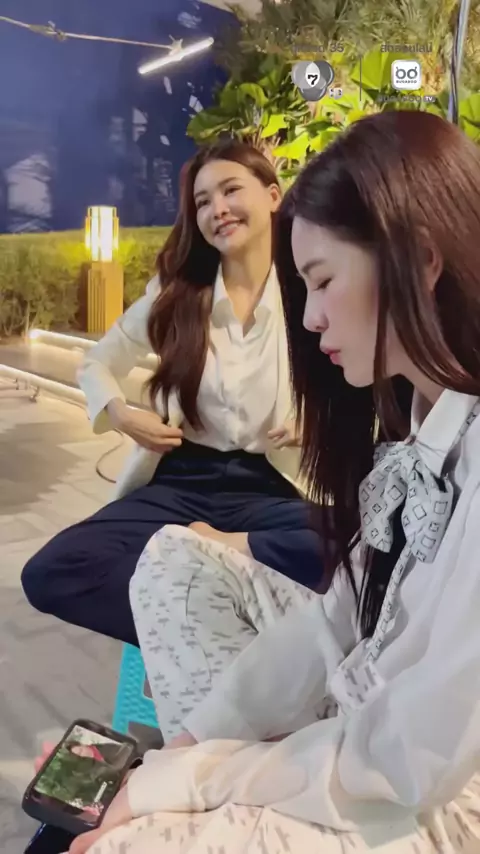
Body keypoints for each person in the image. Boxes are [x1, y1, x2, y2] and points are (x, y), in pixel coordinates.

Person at [60, 109, 480, 853]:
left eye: (323, 282)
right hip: (197, 482)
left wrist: (201, 781)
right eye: (202, 199)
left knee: (134, 839)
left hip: (427, 789)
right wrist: (193, 748)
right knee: (166, 559)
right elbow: (344, 613)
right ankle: (205, 767)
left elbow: (410, 756)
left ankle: (203, 793)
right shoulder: (186, 298)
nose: (312, 317)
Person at [20, 139, 326, 646]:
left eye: (231, 190)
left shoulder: (306, 289)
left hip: (271, 486)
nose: (217, 209)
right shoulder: (177, 293)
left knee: (358, 550)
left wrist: (316, 425)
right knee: (55, 570)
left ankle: (220, 562)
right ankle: (225, 628)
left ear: (273, 196)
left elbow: (363, 387)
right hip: (183, 481)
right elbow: (97, 362)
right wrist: (120, 414)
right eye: (203, 201)